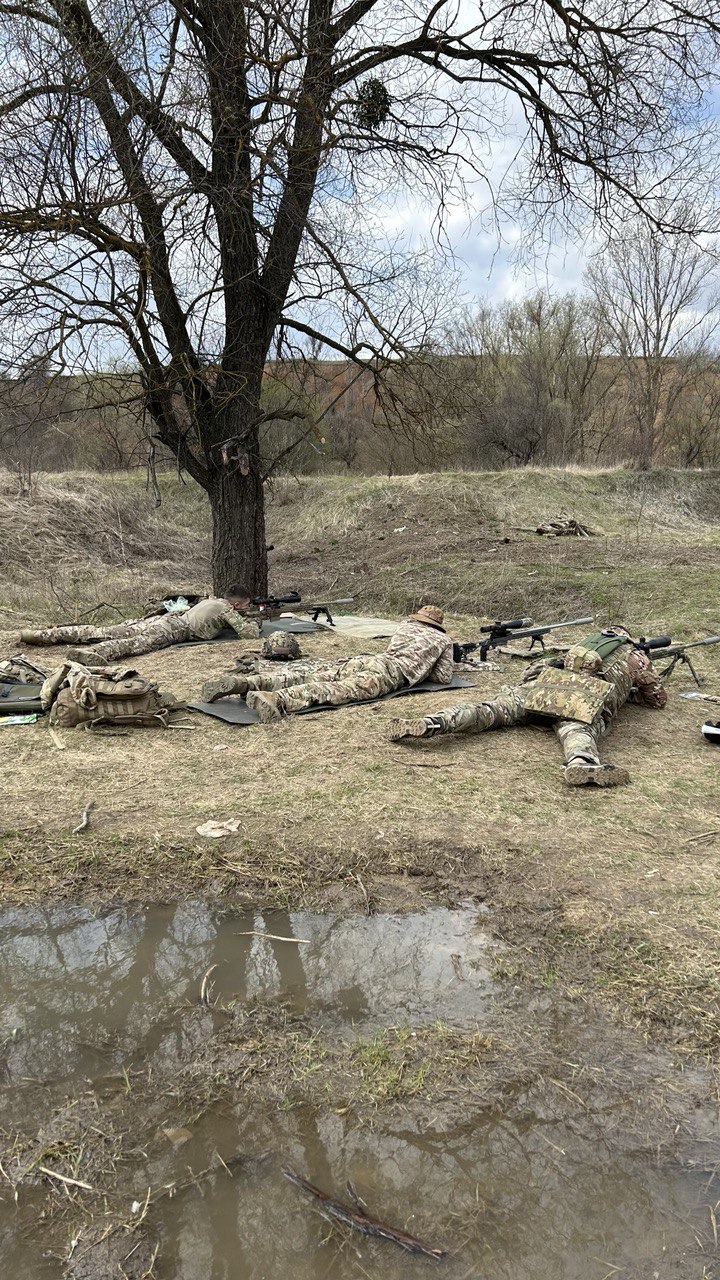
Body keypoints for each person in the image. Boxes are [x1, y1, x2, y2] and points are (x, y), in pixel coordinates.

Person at [387, 626, 667, 787]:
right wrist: (642, 679)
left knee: (491, 710)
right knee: (577, 730)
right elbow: (656, 701)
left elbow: (528, 674)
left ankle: (434, 722)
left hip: (541, 688)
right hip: (583, 697)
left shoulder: (582, 647)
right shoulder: (634, 656)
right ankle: (582, 763)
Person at [200, 603, 455, 721]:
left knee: (314, 675)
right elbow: (442, 678)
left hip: (372, 660)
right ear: (437, 625)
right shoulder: (443, 640)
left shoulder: (405, 627)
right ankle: (278, 699)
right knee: (336, 690)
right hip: (392, 673)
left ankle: (244, 683)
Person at [19, 585, 260, 665]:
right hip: (175, 629)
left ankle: (42, 635)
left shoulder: (212, 600)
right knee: (136, 645)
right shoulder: (227, 609)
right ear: (237, 604)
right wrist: (254, 622)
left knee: (102, 631)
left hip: (163, 619)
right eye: (244, 605)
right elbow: (249, 635)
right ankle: (93, 654)